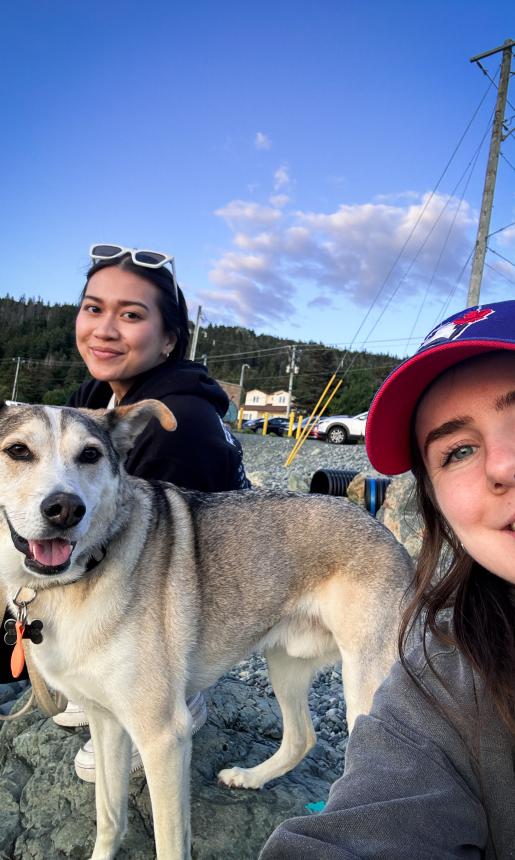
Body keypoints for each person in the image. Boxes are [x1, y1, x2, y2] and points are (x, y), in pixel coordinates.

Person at [260, 300, 515, 859]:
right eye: (459, 451)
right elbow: (380, 815)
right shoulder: (444, 676)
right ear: (437, 503)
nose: (502, 466)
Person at [52, 243, 250, 782]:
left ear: (168, 339)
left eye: (131, 315)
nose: (104, 329)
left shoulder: (177, 422)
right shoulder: (97, 397)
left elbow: (160, 564)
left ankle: (179, 695)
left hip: (200, 600)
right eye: (94, 308)